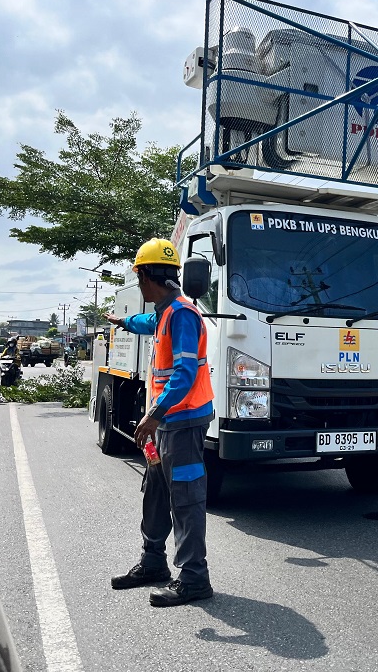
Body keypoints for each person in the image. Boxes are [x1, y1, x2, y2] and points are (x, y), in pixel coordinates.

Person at [105, 238, 215, 607]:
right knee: (155, 493)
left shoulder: (182, 315)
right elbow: (145, 322)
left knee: (185, 498)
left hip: (183, 421)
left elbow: (184, 374)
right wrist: (122, 321)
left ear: (148, 277)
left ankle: (194, 578)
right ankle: (153, 562)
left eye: (139, 278)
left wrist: (153, 415)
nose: (138, 285)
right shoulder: (165, 313)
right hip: (166, 423)